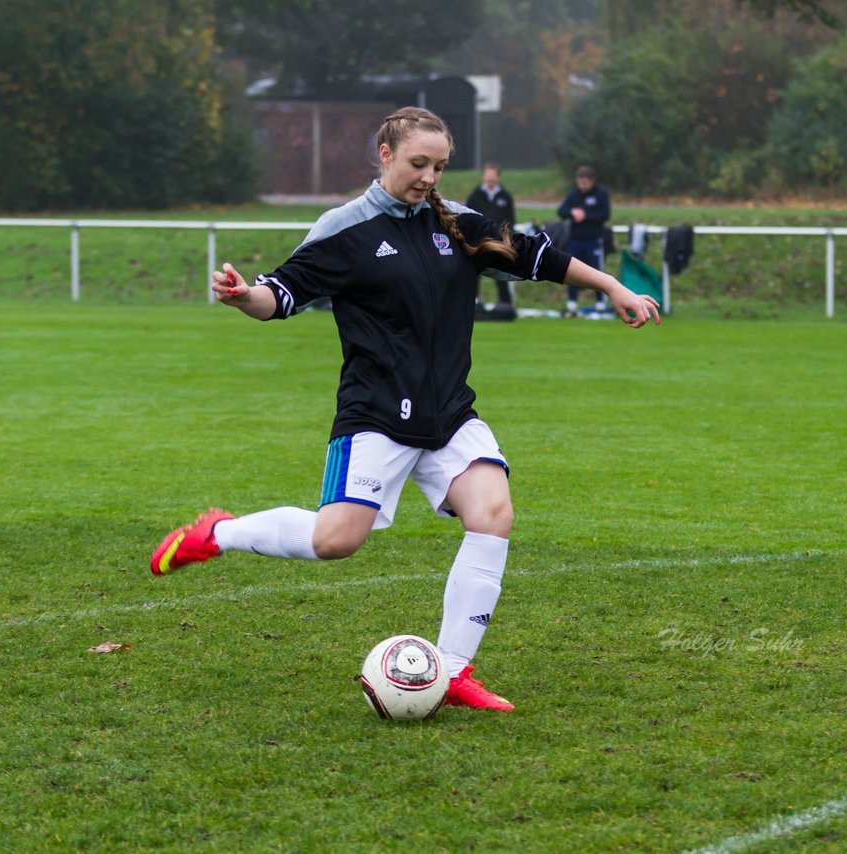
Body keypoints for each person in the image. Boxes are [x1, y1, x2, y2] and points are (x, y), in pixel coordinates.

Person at [150, 107, 659, 712]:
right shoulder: (346, 229)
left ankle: (454, 670)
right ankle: (219, 533)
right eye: (419, 163)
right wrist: (243, 297)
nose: (429, 176)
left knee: (493, 514)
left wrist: (613, 287)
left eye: (440, 166)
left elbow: (535, 258)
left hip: (448, 415)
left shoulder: (458, 222)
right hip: (377, 414)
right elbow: (280, 295)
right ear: (386, 154)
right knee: (336, 540)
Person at [556, 165, 612, 317]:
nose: (582, 186)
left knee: (596, 271)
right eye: (580, 182)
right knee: (571, 270)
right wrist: (572, 212)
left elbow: (605, 215)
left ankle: (600, 304)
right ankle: (572, 303)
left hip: (593, 239)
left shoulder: (601, 194)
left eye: (585, 183)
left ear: (592, 181)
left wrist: (586, 215)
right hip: (575, 239)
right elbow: (561, 211)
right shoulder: (573, 195)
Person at [465, 163, 517, 320]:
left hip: (499, 242)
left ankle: (505, 304)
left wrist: (507, 238)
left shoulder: (505, 197)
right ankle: (472, 304)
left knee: (502, 272)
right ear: (483, 176)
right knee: (475, 272)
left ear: (498, 176)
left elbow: (511, 219)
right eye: (488, 175)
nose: (490, 178)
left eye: (493, 175)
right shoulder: (475, 195)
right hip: (479, 242)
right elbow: (467, 217)